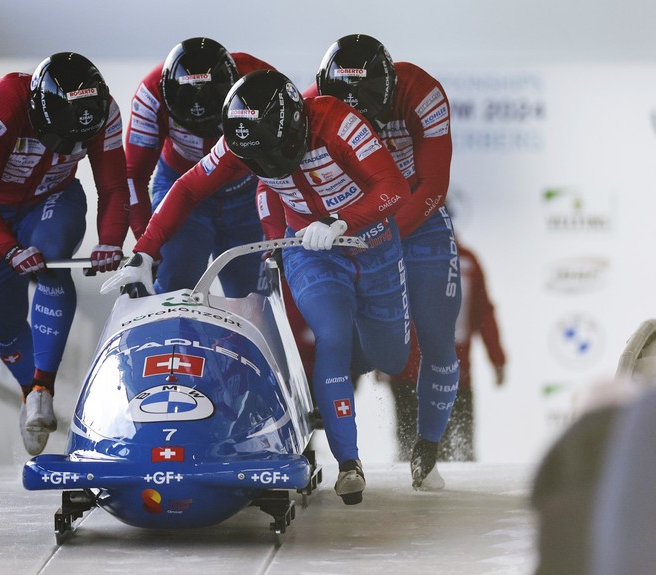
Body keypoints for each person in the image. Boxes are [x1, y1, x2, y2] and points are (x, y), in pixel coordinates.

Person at [103, 69, 412, 506]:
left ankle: (338, 379)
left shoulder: (339, 123)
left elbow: (393, 187)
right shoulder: (238, 141)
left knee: (390, 356)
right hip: (310, 246)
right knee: (332, 334)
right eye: (258, 161)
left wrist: (343, 220)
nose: (269, 167)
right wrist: (146, 252)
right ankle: (348, 463)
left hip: (371, 242)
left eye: (276, 153)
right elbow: (187, 188)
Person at [0, 52, 129, 456]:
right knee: (4, 317)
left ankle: (42, 387)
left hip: (52, 198)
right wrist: (8, 248)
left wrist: (110, 241)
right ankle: (29, 391)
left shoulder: (103, 111)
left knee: (51, 257)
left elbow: (114, 186)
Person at [311, 34, 461, 489]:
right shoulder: (309, 106)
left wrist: (385, 232)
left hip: (414, 219)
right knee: (344, 332)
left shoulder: (423, 94)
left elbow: (434, 184)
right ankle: (337, 436)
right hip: (352, 223)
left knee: (435, 331)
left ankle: (428, 446)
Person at [125, 37, 274, 297]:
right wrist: (146, 248)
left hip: (247, 193)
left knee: (251, 297)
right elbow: (133, 175)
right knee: (175, 285)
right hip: (182, 188)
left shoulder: (261, 85)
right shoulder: (151, 94)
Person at [381, 239, 506, 462]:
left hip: (452, 373)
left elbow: (482, 312)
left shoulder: (466, 259)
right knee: (411, 445)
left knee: (459, 448)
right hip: (412, 372)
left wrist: (497, 357)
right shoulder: (401, 256)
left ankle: (458, 486)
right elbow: (387, 308)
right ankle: (411, 486)